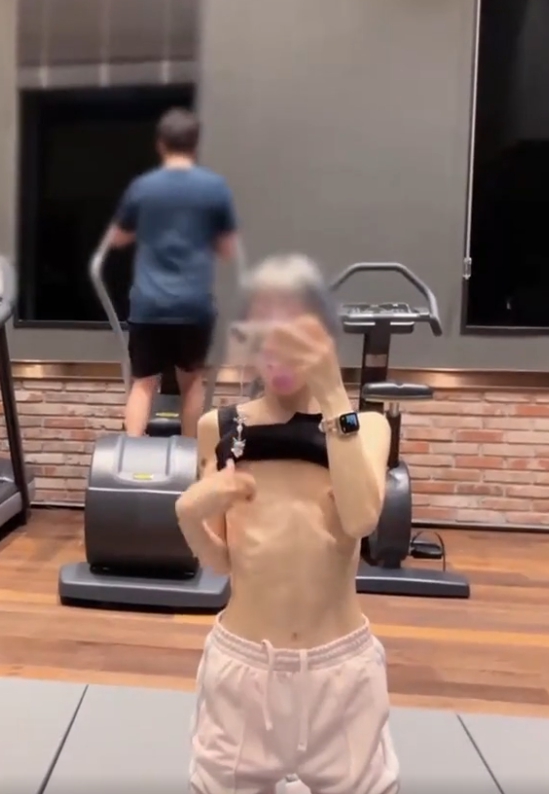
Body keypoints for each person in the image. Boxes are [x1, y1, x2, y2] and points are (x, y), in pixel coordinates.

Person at [175, 255, 400, 793]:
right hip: (244, 667)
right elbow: (224, 561)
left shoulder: (365, 426)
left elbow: (361, 517)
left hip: (340, 673)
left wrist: (335, 395)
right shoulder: (220, 428)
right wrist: (189, 516)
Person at [107, 107, 238, 438]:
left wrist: (147, 229)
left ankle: (130, 455)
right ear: (195, 144)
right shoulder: (215, 188)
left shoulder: (142, 187)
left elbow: (118, 238)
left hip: (149, 304)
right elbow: (227, 249)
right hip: (194, 306)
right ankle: (191, 457)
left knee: (143, 383)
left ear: (160, 144)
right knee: (191, 383)